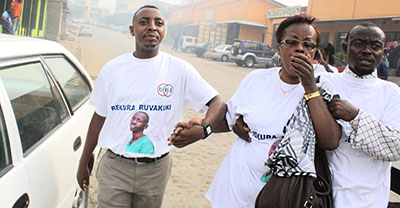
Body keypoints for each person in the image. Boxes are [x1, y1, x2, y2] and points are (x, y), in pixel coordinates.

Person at [168, 15, 341, 208]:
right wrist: (202, 128)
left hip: (283, 197)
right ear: (279, 48)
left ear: (314, 51)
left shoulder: (324, 85)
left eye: (308, 45)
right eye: (291, 42)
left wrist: (309, 86)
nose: (300, 48)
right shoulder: (256, 79)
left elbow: (330, 141)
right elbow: (228, 118)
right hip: (235, 191)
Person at [76, 5, 225, 208]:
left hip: (156, 170)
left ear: (164, 31)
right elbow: (99, 118)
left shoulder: (179, 69)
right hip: (115, 166)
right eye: (144, 22)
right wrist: (84, 160)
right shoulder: (112, 69)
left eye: (159, 23)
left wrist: (204, 129)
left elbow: (217, 103)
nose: (152, 27)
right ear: (132, 30)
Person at [318, 22, 400, 208]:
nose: (367, 51)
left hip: (370, 199)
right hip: (324, 194)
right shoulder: (326, 82)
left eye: (375, 46)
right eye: (359, 44)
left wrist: (355, 117)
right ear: (346, 47)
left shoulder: (391, 93)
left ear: (383, 52)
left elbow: (395, 146)